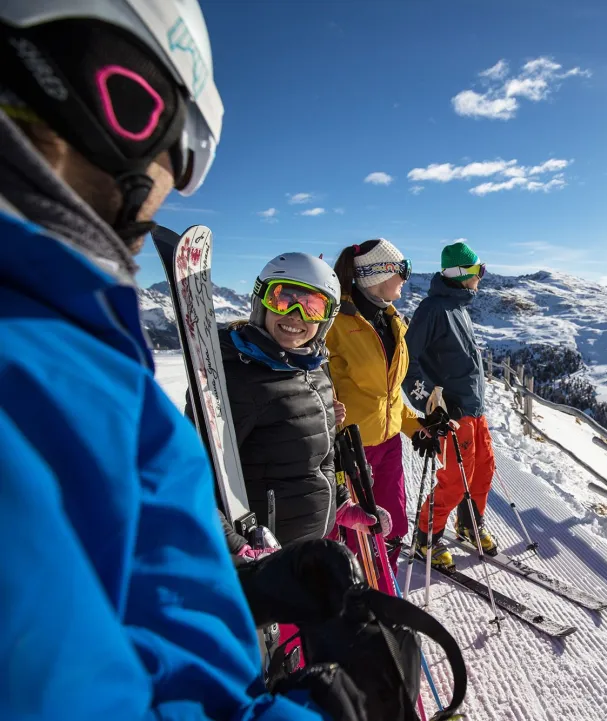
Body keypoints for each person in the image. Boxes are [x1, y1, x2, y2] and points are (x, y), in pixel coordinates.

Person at [0, 2, 368, 718]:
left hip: (278, 563)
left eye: (311, 310)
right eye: (284, 303)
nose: (295, 321)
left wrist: (239, 583)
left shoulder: (80, 342)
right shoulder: (44, 362)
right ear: (127, 108)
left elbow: (132, 570)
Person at [221, 251, 388, 546]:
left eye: (313, 307)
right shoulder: (234, 377)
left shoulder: (315, 371)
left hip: (309, 549)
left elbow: (321, 460)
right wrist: (237, 549)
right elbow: (194, 480)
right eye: (283, 299)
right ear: (261, 303)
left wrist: (341, 505)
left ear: (326, 319)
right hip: (262, 562)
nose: (295, 315)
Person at [327, 239, 441, 569]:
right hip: (350, 448)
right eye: (403, 269)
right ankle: (355, 599)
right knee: (354, 534)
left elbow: (390, 397)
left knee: (390, 529)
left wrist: (415, 428)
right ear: (378, 273)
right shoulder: (335, 324)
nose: (407, 277)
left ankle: (386, 593)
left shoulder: (393, 322)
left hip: (388, 446)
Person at [404, 241, 499, 570]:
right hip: (454, 414)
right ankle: (425, 537)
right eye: (478, 271)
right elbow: (407, 363)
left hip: (475, 410)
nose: (482, 277)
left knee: (483, 470)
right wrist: (431, 405)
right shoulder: (432, 310)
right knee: (456, 479)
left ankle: (469, 524)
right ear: (461, 274)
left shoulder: (460, 308)